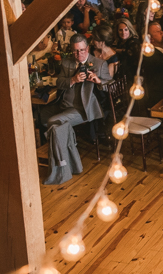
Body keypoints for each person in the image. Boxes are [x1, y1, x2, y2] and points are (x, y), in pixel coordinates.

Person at [41, 34, 111, 185]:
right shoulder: (67, 63)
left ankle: (61, 170)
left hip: (85, 109)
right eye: (74, 51)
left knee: (53, 122)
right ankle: (71, 164)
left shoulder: (99, 64)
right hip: (65, 106)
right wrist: (72, 80)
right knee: (40, 116)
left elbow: (111, 86)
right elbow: (59, 82)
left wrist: (98, 81)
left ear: (87, 48)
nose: (78, 54)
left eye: (81, 50)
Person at [140, 22, 163, 112]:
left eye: (161, 30)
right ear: (151, 39)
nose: (162, 33)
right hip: (161, 95)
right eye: (157, 31)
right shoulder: (150, 54)